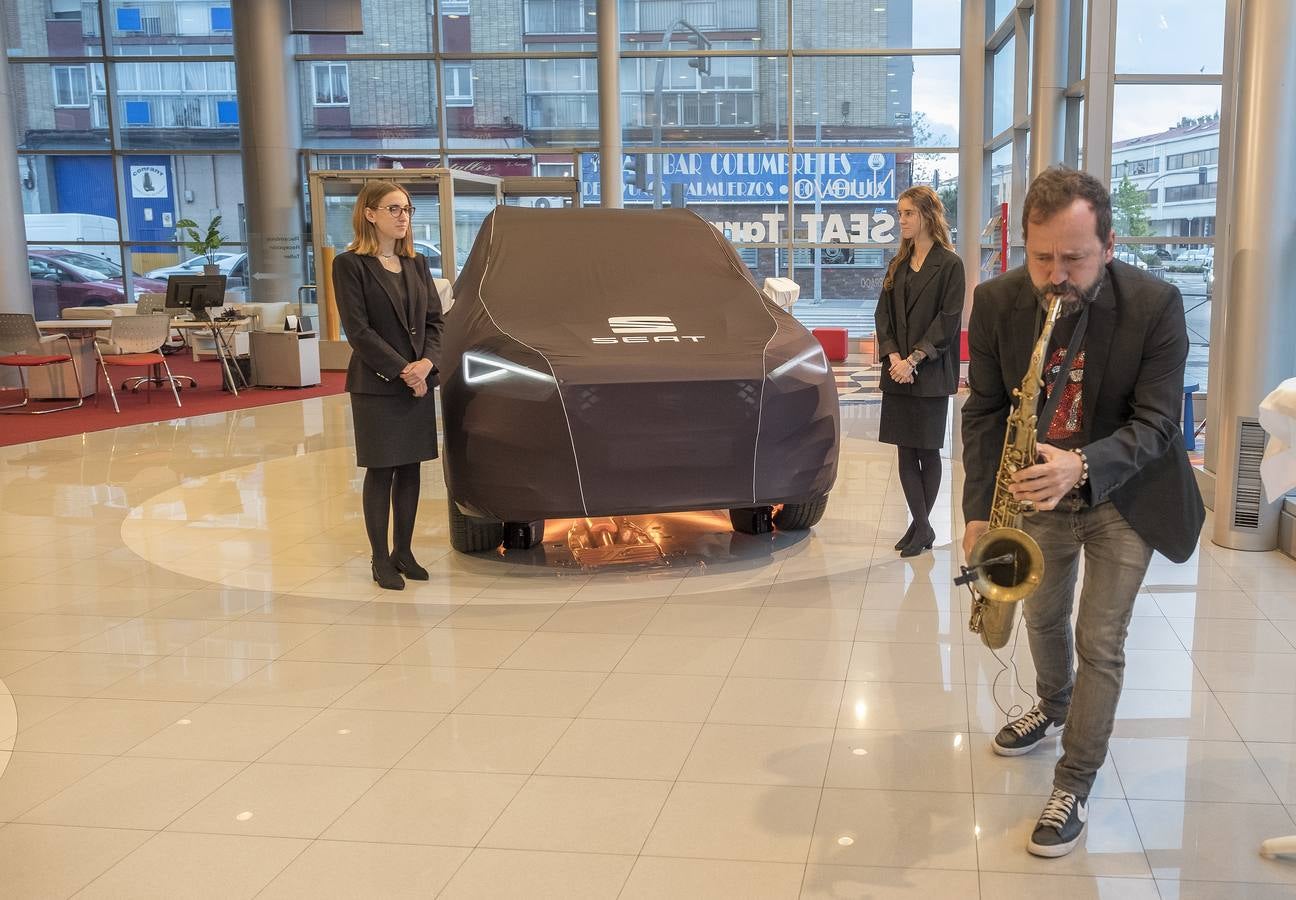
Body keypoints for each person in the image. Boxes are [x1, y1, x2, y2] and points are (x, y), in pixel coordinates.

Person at [961, 166, 1204, 857]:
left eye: (1074, 258)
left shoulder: (1156, 304)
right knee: (1040, 612)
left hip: (1123, 494)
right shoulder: (1000, 301)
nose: (1056, 275)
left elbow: (1160, 425)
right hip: (1034, 490)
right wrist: (980, 508)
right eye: (1042, 258)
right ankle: (1054, 704)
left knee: (1100, 637)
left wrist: (1085, 463)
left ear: (1109, 244)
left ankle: (1076, 778)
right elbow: (983, 409)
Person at [333, 181, 444, 591]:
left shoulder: (416, 264)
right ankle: (380, 559)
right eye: (394, 209)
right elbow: (358, 331)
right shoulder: (350, 265)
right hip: (378, 384)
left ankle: (404, 551)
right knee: (381, 471)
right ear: (370, 214)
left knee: (411, 469)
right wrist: (404, 371)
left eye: (408, 209)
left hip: (417, 382)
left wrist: (427, 365)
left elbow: (436, 322)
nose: (404, 217)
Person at [873, 185, 966, 557]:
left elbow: (948, 320)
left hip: (928, 372)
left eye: (908, 213)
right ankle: (923, 526)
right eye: (900, 214)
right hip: (897, 372)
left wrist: (914, 359)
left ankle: (921, 526)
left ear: (928, 214)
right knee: (903, 451)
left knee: (926, 452)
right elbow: (883, 316)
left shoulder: (950, 265)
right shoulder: (897, 264)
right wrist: (894, 356)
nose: (902, 221)